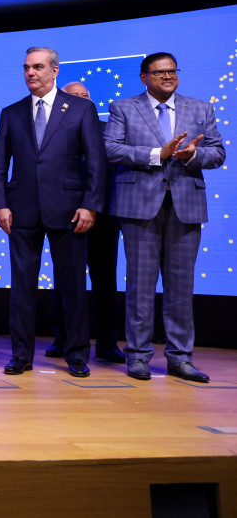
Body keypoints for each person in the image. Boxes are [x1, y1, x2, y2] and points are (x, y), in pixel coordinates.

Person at [104, 53, 225, 383]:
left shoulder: (200, 108)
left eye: (172, 71)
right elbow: (111, 149)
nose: (167, 77)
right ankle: (139, 355)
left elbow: (218, 152)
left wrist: (193, 155)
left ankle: (180, 358)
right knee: (140, 285)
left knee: (181, 288)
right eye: (159, 73)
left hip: (186, 205)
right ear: (144, 77)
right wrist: (160, 154)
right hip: (139, 205)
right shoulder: (123, 107)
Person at [0, 47, 106, 378]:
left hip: (70, 210)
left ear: (54, 71)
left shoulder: (81, 109)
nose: (31, 73)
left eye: (38, 67)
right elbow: (0, 163)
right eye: (26, 67)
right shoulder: (11, 113)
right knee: (22, 287)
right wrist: (0, 203)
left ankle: (77, 354)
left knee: (72, 287)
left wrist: (90, 204)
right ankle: (21, 355)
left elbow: (95, 161)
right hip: (21, 210)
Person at [46, 82, 125, 364]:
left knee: (105, 281)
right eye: (74, 96)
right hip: (66, 217)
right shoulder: (54, 131)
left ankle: (107, 343)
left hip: (103, 216)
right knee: (67, 280)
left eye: (85, 96)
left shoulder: (109, 132)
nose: (81, 100)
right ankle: (63, 339)